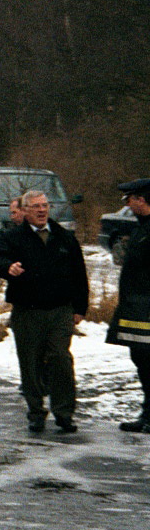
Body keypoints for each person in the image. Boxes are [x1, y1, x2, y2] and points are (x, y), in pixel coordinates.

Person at [0, 189, 89, 432]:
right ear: (24, 211)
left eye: (45, 205)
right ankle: (35, 411)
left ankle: (64, 413)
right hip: (28, 311)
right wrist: (8, 267)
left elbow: (79, 273)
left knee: (60, 358)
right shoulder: (13, 237)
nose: (42, 210)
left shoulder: (64, 237)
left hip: (60, 310)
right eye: (36, 206)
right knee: (30, 361)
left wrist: (80, 307)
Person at [108, 178, 150, 433]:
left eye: (129, 200)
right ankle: (147, 415)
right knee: (142, 359)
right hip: (137, 307)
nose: (127, 205)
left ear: (141, 200)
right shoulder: (142, 227)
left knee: (146, 359)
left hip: (145, 308)